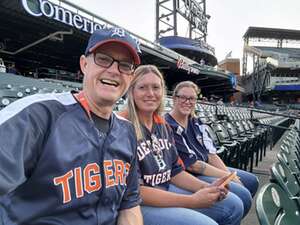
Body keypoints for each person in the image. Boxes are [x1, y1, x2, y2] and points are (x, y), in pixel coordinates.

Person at [0, 27, 143, 225]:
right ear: (84, 64)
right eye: (103, 58)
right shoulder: (39, 115)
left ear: (131, 77)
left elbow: (129, 205)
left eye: (125, 65)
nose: (113, 70)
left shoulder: (127, 131)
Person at [120, 65, 243, 225]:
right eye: (142, 87)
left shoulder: (162, 126)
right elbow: (136, 191)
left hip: (165, 188)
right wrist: (191, 200)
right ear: (132, 91)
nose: (150, 93)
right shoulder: (122, 127)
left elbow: (175, 172)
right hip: (138, 205)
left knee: (234, 205)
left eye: (156, 87)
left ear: (162, 92)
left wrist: (206, 187)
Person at [165, 81, 259, 217]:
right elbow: (193, 166)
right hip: (189, 175)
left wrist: (229, 175)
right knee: (242, 196)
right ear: (174, 99)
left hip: (206, 167)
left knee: (251, 180)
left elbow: (211, 154)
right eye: (183, 97)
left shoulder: (195, 121)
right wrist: (228, 177)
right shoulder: (168, 124)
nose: (187, 102)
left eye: (192, 98)